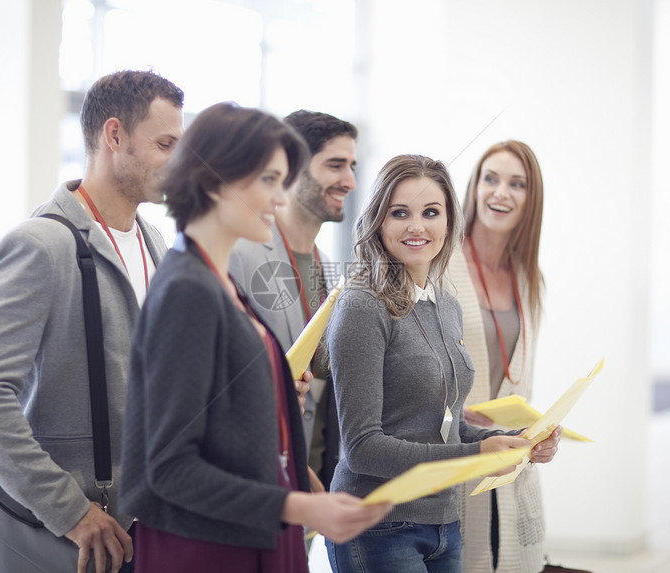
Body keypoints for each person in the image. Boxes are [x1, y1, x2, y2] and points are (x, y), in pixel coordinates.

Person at [0, 70, 184, 573]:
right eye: (165, 144)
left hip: (129, 531)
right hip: (47, 534)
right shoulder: (39, 246)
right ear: (114, 136)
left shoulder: (155, 246)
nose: (177, 161)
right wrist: (69, 511)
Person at [119, 102, 390, 573]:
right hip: (208, 548)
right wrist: (300, 507)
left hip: (247, 532)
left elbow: (231, 430)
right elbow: (168, 467)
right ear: (214, 178)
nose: (280, 199)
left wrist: (299, 480)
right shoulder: (187, 290)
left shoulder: (216, 282)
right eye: (268, 180)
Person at [325, 154, 561, 573]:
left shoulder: (446, 306)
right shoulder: (362, 305)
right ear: (379, 220)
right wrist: (476, 452)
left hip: (442, 524)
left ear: (450, 222)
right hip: (376, 523)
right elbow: (362, 448)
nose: (417, 226)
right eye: (400, 213)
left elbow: (443, 425)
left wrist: (517, 438)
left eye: (431, 212)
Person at [450, 141, 573, 573]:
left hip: (515, 475)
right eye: (491, 179)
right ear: (474, 187)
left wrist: (540, 433)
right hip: (456, 469)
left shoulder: (528, 277)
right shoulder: (440, 265)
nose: (501, 192)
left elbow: (520, 381)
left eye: (516, 184)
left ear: (530, 199)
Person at [229, 109, 357, 493]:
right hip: (255, 484)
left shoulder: (329, 269)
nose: (349, 181)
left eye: (352, 166)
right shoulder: (239, 256)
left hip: (314, 481)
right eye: (336, 165)